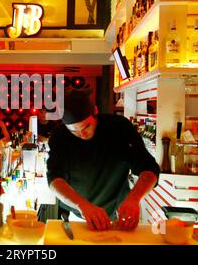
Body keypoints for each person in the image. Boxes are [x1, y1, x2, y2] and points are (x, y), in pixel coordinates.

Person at [47, 88, 160, 231]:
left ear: (95, 111)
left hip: (118, 214)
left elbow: (149, 169)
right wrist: (82, 205)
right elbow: (54, 179)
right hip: (77, 214)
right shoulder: (60, 136)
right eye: (74, 131)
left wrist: (134, 199)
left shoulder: (119, 128)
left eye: (86, 126)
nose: (82, 134)